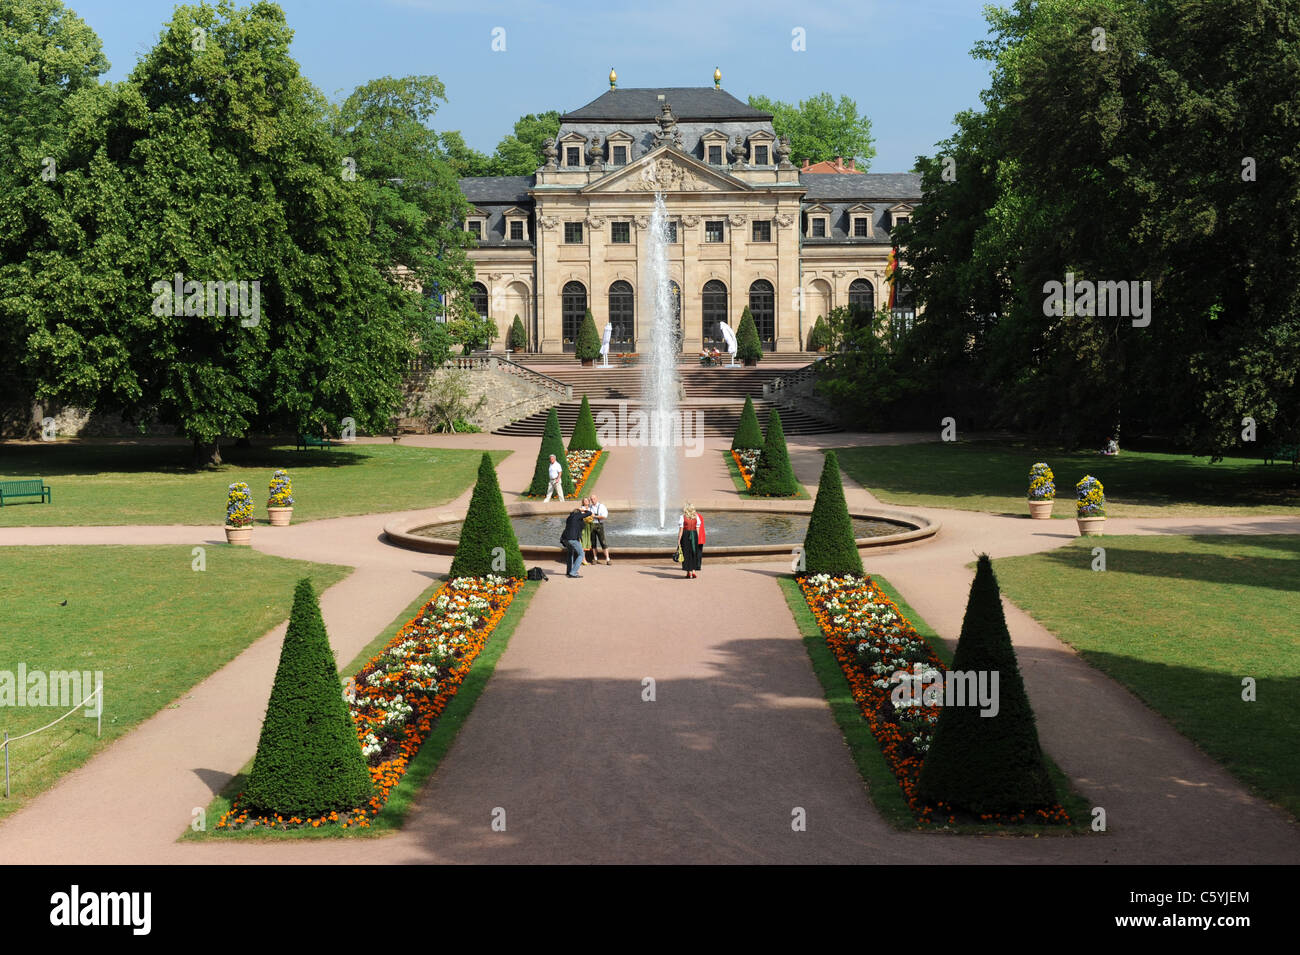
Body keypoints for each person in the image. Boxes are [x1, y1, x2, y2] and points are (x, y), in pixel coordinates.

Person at [676, 503, 705, 579]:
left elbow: (681, 530)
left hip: (685, 535)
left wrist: (679, 539)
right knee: (693, 553)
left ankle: (688, 572)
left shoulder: (682, 517)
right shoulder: (697, 517)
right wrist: (697, 539)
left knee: (686, 553)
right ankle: (694, 572)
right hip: (694, 535)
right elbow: (697, 529)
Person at [560, 505, 586, 577]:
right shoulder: (577, 518)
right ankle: (573, 572)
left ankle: (569, 572)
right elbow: (589, 514)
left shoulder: (569, 518)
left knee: (570, 553)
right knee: (581, 554)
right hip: (572, 539)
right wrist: (584, 511)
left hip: (565, 539)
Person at [588, 494, 611, 565]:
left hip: (599, 525)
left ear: (596, 499)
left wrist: (594, 516)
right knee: (593, 543)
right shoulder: (589, 507)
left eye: (594, 499)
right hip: (591, 525)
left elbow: (604, 516)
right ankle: (595, 558)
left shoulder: (601, 506)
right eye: (591, 499)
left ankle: (608, 559)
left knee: (603, 542)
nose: (592, 500)